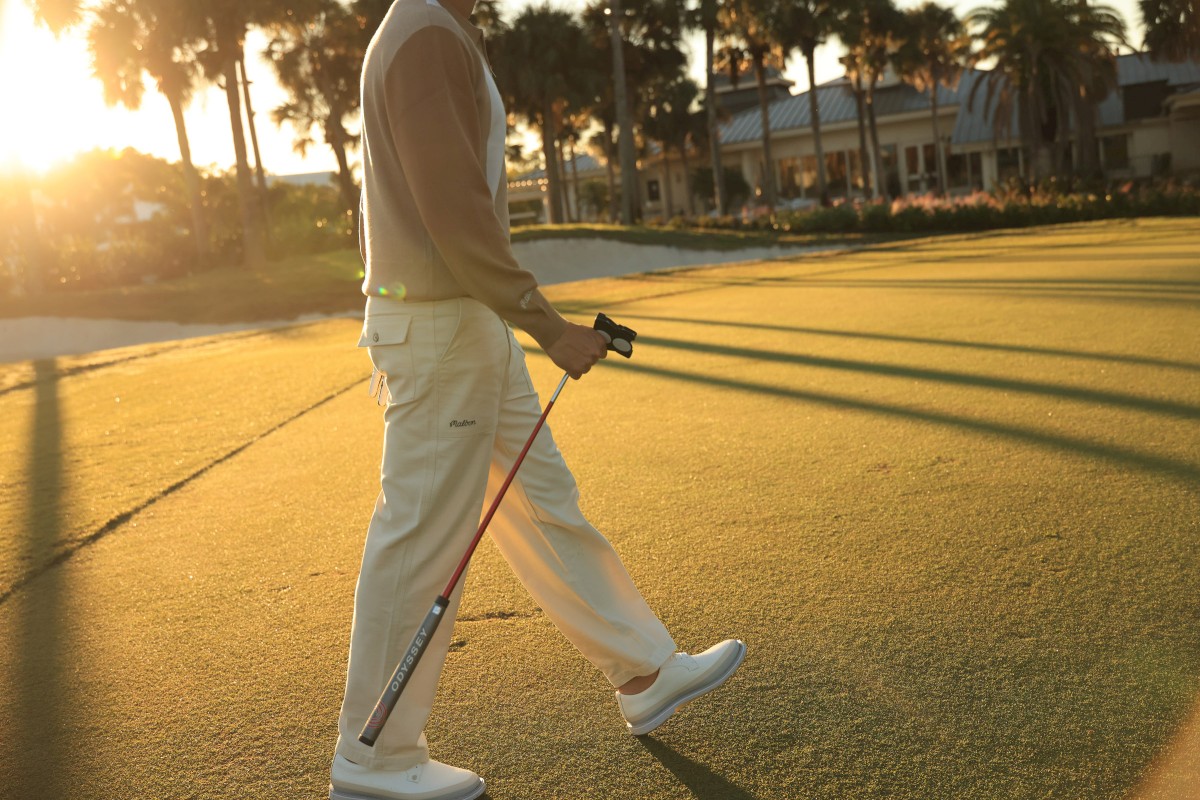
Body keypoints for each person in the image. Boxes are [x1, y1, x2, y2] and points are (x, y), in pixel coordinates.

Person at [330, 0, 745, 797]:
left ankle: (643, 672)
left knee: (547, 503)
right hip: (441, 330)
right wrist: (547, 325)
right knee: (418, 538)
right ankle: (370, 755)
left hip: (463, 325)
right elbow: (453, 211)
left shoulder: (435, 29)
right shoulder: (421, 34)